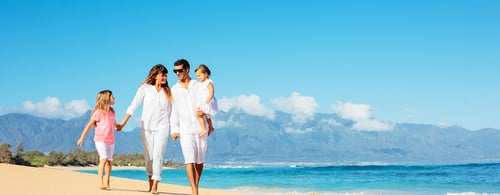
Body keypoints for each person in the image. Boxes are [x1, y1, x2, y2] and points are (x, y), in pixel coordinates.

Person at [116, 64, 172, 194]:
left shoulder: (168, 92)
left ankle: (155, 187)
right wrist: (123, 123)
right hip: (146, 127)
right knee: (149, 157)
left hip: (163, 127)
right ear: (155, 75)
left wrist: (174, 129)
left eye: (166, 75)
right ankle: (150, 182)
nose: (165, 77)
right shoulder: (145, 89)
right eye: (162, 74)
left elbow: (171, 112)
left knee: (158, 155)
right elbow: (133, 106)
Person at [170, 59, 208, 195]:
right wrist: (174, 130)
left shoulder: (198, 85)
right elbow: (173, 110)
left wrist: (206, 111)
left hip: (200, 128)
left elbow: (211, 102)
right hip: (184, 130)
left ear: (187, 69)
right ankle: (194, 190)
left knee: (199, 161)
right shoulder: (174, 90)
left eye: (180, 70)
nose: (177, 73)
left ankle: (196, 186)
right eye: (175, 71)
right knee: (189, 159)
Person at [77, 89, 119, 190]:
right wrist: (82, 137)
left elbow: (115, 124)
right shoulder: (98, 112)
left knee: (109, 161)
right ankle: (100, 181)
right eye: (112, 96)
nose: (114, 98)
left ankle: (107, 181)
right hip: (100, 139)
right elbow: (89, 125)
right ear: (106, 99)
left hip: (111, 140)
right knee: (103, 158)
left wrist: (119, 126)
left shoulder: (112, 112)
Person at [194, 64, 218, 137]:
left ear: (206, 74)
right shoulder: (200, 84)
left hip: (207, 101)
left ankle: (204, 128)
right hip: (203, 101)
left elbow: (212, 91)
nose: (198, 77)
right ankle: (211, 127)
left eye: (199, 75)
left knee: (198, 115)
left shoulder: (208, 82)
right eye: (197, 76)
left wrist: (209, 98)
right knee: (208, 116)